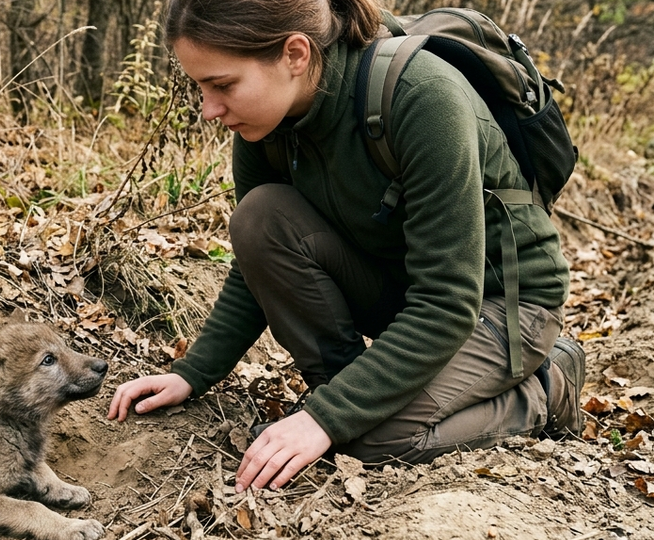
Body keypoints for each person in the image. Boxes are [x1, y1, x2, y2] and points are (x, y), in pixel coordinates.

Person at [107, 0, 584, 495]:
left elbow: (446, 301)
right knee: (259, 214)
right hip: (404, 290)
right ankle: (339, 392)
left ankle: (549, 388)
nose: (209, 109)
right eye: (200, 88)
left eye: (223, 85)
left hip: (503, 305)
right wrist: (193, 373)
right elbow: (259, 257)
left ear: (295, 54)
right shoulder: (265, 121)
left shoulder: (422, 96)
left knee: (370, 439)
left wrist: (327, 419)